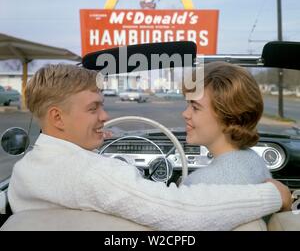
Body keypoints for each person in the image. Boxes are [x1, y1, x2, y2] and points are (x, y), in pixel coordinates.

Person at [8, 64, 291, 231]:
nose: (104, 116)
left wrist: (96, 136)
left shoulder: (22, 174)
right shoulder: (95, 174)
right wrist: (273, 194)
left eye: (102, 106)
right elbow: (184, 213)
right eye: (93, 108)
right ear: (57, 117)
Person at [182, 62, 271, 186]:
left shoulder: (202, 182)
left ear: (229, 117)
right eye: (188, 105)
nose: (185, 114)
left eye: (195, 107)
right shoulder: (254, 160)